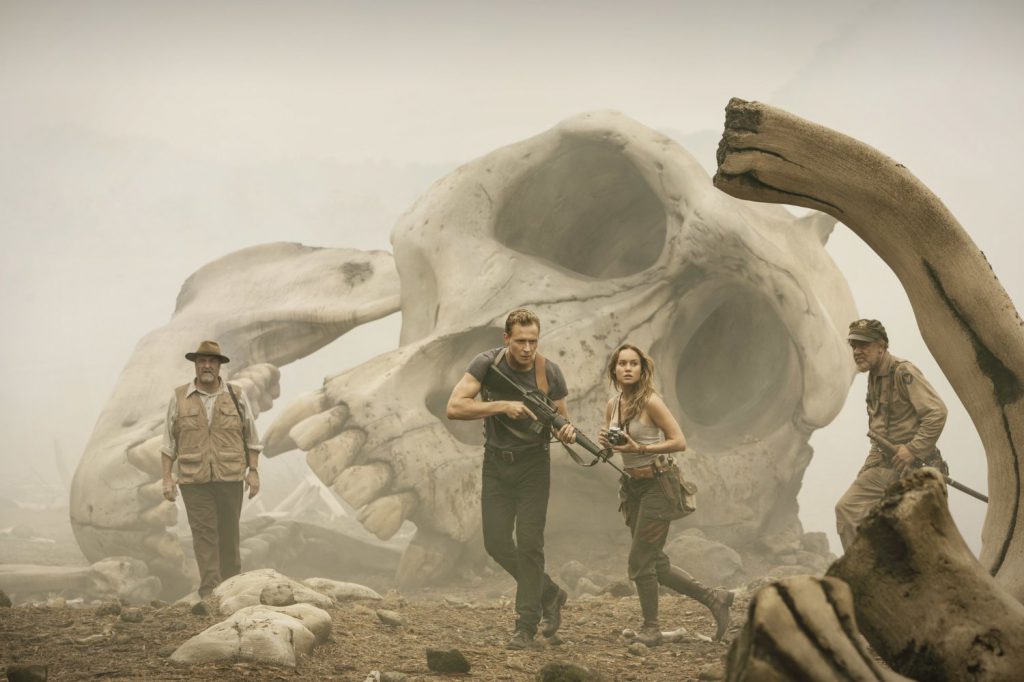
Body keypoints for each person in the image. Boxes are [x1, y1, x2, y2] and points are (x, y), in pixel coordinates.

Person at [446, 309, 576, 650]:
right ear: (506, 339)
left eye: (533, 341)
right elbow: (455, 406)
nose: (528, 348)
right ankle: (550, 593)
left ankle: (525, 626)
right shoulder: (486, 364)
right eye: (521, 341)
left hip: (534, 465)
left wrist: (567, 431)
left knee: (530, 543)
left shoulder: (549, 372)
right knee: (496, 543)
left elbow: (562, 419)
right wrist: (502, 406)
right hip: (496, 464)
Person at [598, 343, 734, 645]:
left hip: (658, 484)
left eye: (634, 363)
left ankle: (652, 628)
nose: (628, 368)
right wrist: (608, 445)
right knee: (654, 561)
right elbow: (617, 446)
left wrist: (640, 448)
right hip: (632, 487)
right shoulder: (613, 404)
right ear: (615, 370)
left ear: (642, 369)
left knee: (639, 562)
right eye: (622, 364)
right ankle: (715, 599)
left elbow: (679, 441)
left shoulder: (651, 402)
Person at [160, 340, 262, 600]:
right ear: (195, 366)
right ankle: (209, 593)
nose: (206, 366)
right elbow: (168, 444)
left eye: (212, 361)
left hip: (229, 477)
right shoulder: (179, 397)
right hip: (194, 480)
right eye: (201, 361)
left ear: (219, 366)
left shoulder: (236, 396)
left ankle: (232, 588)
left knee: (229, 533)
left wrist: (253, 471)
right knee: (204, 535)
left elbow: (251, 436)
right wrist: (167, 480)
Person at [835, 319, 948, 550]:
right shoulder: (873, 377)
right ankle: (863, 574)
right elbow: (879, 437)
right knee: (847, 509)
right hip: (884, 466)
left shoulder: (903, 371)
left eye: (864, 345)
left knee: (914, 536)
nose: (857, 351)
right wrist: (865, 471)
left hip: (917, 467)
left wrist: (913, 449)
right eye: (854, 345)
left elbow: (937, 413)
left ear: (881, 346)